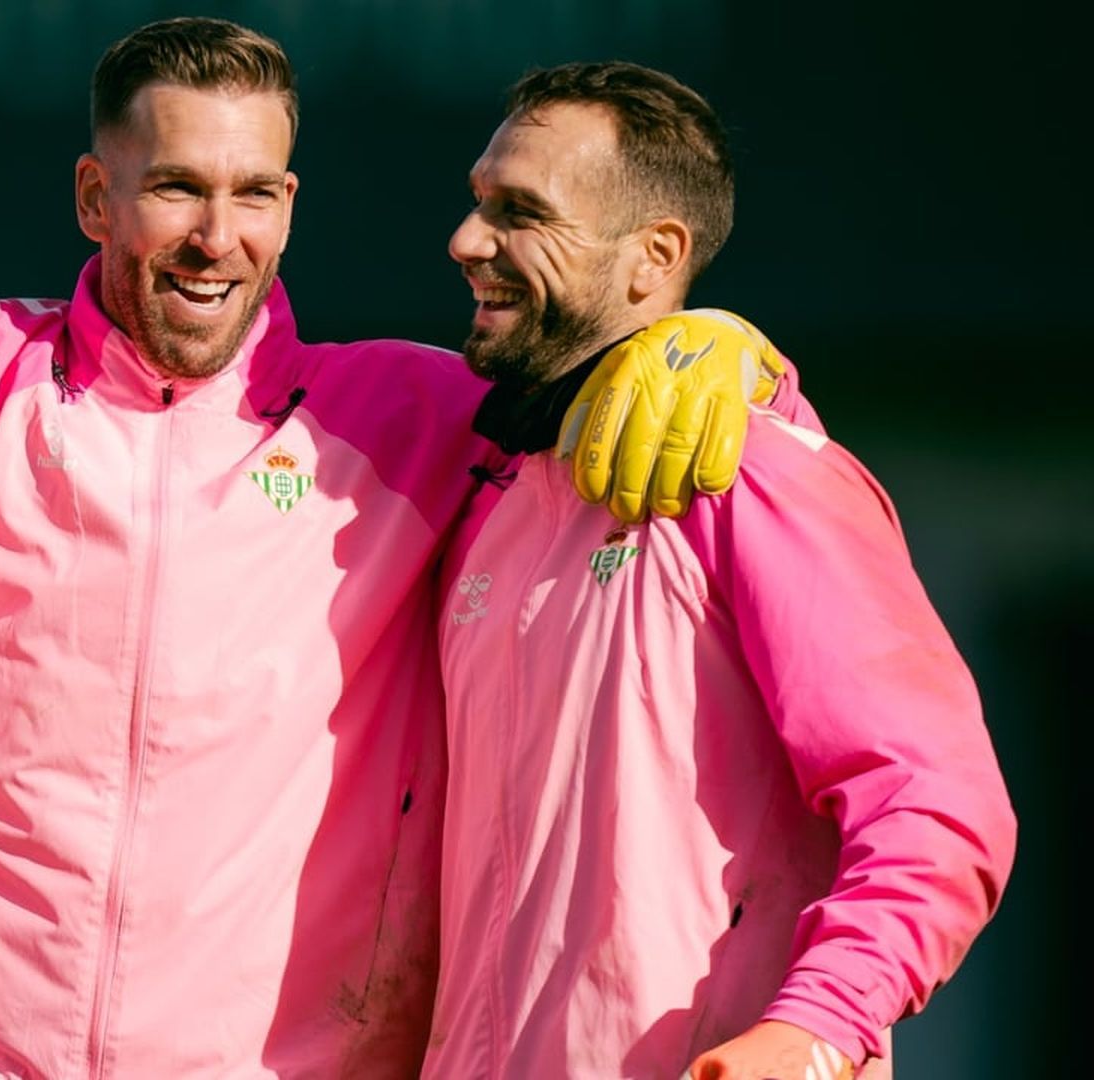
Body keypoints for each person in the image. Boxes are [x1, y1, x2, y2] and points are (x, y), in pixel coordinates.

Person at [0, 20, 792, 1076]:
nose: (215, 235)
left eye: (254, 195)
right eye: (178, 186)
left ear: (290, 208)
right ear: (96, 195)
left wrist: (735, 353)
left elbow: (618, 365)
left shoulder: (412, 416)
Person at [427, 61, 1017, 1079]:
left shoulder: (756, 471)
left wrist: (819, 1029)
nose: (468, 242)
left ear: (656, 255)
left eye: (522, 212)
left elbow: (937, 804)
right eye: (480, 203)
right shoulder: (488, 499)